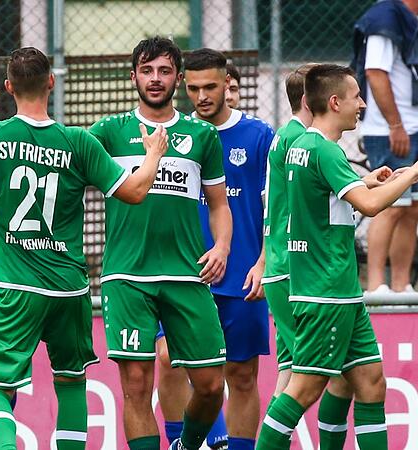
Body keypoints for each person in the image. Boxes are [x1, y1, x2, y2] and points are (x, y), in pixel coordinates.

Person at [0, 46, 168, 450]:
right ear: (51, 82)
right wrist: (152, 156)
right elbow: (135, 191)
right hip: (69, 288)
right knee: (71, 382)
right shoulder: (78, 141)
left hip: (14, 288)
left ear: (7, 88)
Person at [256, 64, 418, 450]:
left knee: (370, 381)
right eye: (356, 97)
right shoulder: (324, 150)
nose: (362, 104)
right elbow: (371, 206)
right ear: (334, 102)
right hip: (326, 292)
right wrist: (414, 171)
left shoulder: (304, 145)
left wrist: (364, 180)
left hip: (339, 290)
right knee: (303, 389)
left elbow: (322, 196)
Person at [90, 36, 232, 450]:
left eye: (165, 71)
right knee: (136, 387)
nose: (155, 79)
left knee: (211, 385)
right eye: (147, 70)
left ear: (178, 78)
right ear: (133, 76)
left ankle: (185, 446)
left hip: (187, 275)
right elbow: (68, 180)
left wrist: (222, 246)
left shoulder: (201, 135)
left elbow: (220, 205)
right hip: (127, 276)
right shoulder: (108, 132)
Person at [154, 48, 273, 450]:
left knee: (241, 375)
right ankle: (182, 444)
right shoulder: (173, 135)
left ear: (228, 84)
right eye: (193, 88)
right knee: (169, 359)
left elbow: (277, 208)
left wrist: (264, 261)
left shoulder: (259, 137)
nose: (201, 96)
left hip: (242, 274)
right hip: (181, 273)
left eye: (210, 87)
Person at [263, 64, 355, 450]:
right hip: (296, 269)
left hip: (283, 265)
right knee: (325, 379)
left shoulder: (287, 137)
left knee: (295, 377)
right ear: (311, 100)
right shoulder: (303, 142)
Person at [352, 0, 418, 293]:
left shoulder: (409, 18)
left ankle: (402, 286)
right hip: (390, 132)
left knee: (411, 208)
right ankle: (376, 286)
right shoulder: (385, 18)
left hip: (413, 130)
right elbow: (375, 73)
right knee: (390, 207)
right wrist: (395, 125)